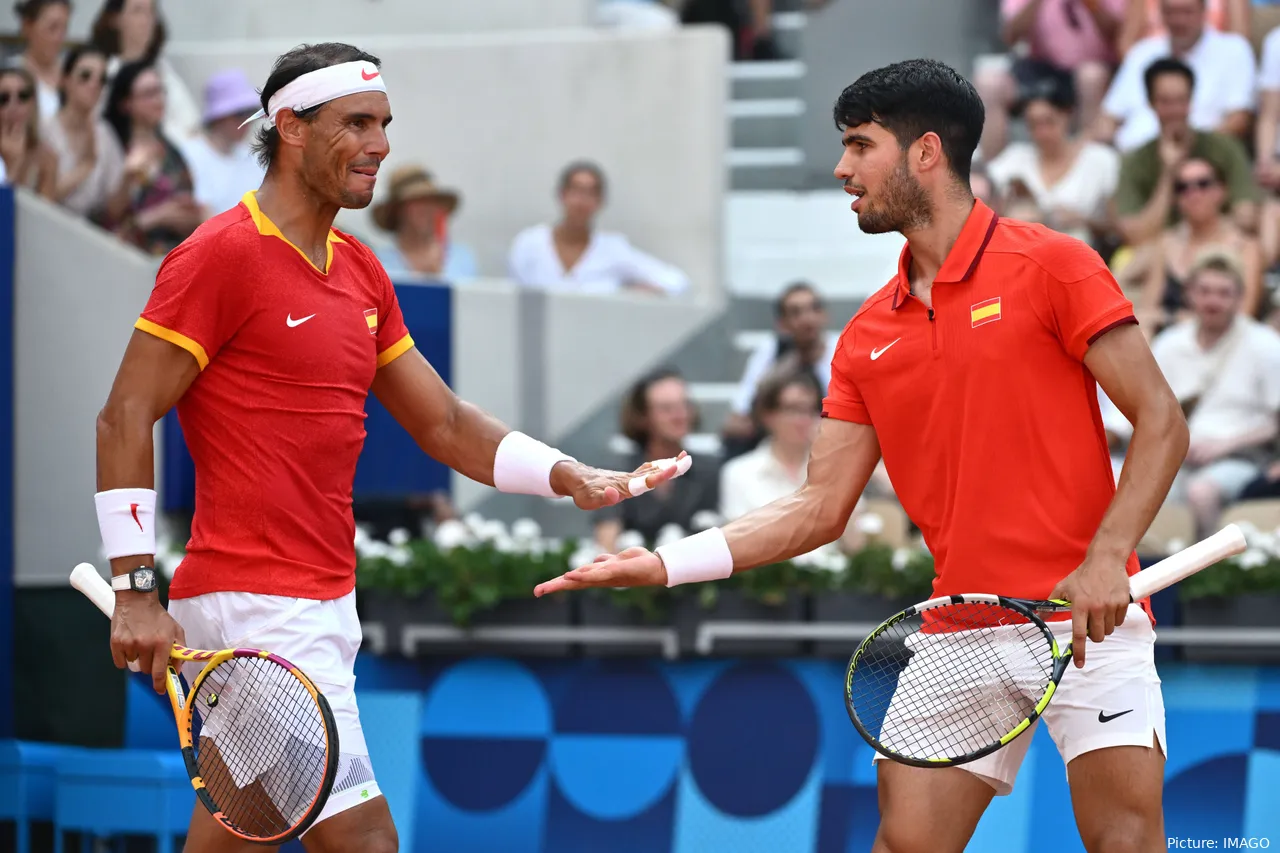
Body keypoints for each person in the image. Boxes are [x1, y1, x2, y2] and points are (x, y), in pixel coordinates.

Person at [535, 58, 1190, 853]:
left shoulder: (1054, 264)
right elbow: (818, 506)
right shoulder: (866, 337)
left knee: (1127, 841)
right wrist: (667, 563)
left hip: (1092, 619)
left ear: (924, 153)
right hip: (961, 630)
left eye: (859, 146)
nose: (842, 169)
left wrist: (1107, 556)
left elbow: (1160, 419)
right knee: (904, 844)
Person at [95, 42, 690, 853]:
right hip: (254, 606)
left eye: (384, 124)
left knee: (240, 835)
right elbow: (125, 415)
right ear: (291, 129)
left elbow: (442, 422)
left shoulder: (362, 271)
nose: (380, 144)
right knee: (365, 839)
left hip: (323, 604)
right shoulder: (219, 255)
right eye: (357, 123)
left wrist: (566, 474)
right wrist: (134, 587)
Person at [1111, 57, 1259, 247]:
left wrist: (1200, 228)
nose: (1175, 110)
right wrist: (1169, 172)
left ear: (1191, 100)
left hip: (1218, 247)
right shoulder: (1134, 161)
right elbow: (1135, 236)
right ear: (1150, 103)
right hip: (1159, 252)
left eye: (1182, 100)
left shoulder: (1224, 147)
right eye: (1165, 101)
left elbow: (1246, 216)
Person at [1119, 156, 1263, 331]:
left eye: (1203, 184)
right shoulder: (1166, 244)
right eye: (1182, 187)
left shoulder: (1246, 247)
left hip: (1227, 348)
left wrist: (1171, 318)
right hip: (1171, 347)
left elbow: (1243, 317)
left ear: (1222, 191)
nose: (1193, 194)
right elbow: (1148, 311)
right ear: (1176, 198)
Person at [1095, 0, 1256, 153]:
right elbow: (1109, 116)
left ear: (1204, 11)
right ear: (1161, 14)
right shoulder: (1141, 52)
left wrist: (1191, 149)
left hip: (1198, 162)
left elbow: (1239, 120)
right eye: (1171, 12)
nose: (1179, 20)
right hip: (1128, 156)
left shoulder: (1234, 49)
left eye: (1187, 11)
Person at [507, 160, 690, 295]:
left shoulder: (613, 250)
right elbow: (513, 298)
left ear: (600, 202)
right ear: (562, 195)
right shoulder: (529, 244)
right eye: (576, 191)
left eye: (590, 194)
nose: (581, 202)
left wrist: (634, 292)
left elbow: (677, 282)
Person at [593, 368, 719, 552]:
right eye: (666, 409)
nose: (679, 415)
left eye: (684, 405)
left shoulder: (710, 470)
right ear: (643, 417)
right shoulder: (618, 473)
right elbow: (607, 544)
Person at [985, 76, 1120, 246]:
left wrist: (1085, 220)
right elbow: (981, 185)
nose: (1042, 133)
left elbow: (1120, 226)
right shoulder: (1015, 158)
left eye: (1049, 122)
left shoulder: (1101, 160)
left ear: (1067, 115)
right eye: (1033, 125)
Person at [101, 59, 201, 254]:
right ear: (126, 103)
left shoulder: (172, 152)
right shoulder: (112, 148)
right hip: (123, 258)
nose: (159, 100)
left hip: (171, 258)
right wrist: (159, 217)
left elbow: (190, 210)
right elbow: (108, 217)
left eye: (160, 91)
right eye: (149, 94)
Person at [90, 0, 200, 141]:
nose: (146, 20)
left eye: (151, 12)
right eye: (138, 11)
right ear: (115, 18)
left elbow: (190, 122)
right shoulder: (103, 70)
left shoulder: (163, 68)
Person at [43, 45, 128, 219]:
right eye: (85, 76)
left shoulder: (104, 133)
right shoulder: (44, 130)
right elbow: (40, 200)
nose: (94, 84)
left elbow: (114, 210)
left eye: (102, 79)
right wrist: (85, 165)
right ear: (64, 80)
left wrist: (130, 178)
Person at [179, 68, 266, 219]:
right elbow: (199, 211)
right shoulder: (190, 155)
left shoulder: (252, 156)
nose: (246, 122)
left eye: (250, 113)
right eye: (240, 114)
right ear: (219, 117)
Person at [370, 164, 478, 283]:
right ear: (397, 211)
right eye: (417, 202)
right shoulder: (379, 264)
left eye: (432, 202)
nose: (427, 209)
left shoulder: (462, 258)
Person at [0, 66, 57, 198]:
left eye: (23, 96)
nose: (13, 105)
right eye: (3, 98)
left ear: (33, 102)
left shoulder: (47, 158)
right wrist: (13, 165)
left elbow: (42, 214)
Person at [10, 0, 69, 121]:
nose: (59, 37)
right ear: (27, 26)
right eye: (52, 28)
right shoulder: (11, 72)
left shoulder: (71, 71)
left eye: (64, 29)